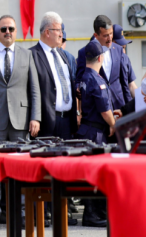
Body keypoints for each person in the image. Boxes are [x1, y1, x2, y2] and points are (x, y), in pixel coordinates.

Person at [0, 15, 41, 231]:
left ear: (16, 31)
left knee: (20, 170)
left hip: (21, 121)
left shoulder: (27, 55)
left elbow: (34, 89)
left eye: (11, 28)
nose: (7, 32)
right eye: (3, 29)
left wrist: (35, 117)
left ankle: (22, 213)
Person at [76, 40, 122, 228]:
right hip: (97, 133)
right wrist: (113, 124)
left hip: (87, 129)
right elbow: (103, 109)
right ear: (100, 57)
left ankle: (93, 212)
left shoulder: (84, 76)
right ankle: (93, 215)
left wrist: (113, 113)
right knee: (98, 174)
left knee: (90, 174)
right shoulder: (97, 79)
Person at [30, 13, 77, 140]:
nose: (62, 34)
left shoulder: (63, 55)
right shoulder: (32, 55)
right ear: (47, 32)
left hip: (67, 122)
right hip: (46, 124)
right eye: (59, 30)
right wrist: (35, 118)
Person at [76, 16, 132, 113]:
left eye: (111, 34)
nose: (110, 38)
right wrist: (78, 88)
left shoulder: (118, 49)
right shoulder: (84, 52)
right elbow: (79, 79)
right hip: (97, 109)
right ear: (96, 35)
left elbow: (124, 82)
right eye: (106, 35)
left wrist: (130, 109)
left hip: (119, 106)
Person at [112, 24, 138, 100]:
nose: (124, 51)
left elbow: (131, 85)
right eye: (121, 47)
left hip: (126, 106)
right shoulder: (104, 61)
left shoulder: (125, 59)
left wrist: (141, 101)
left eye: (125, 47)